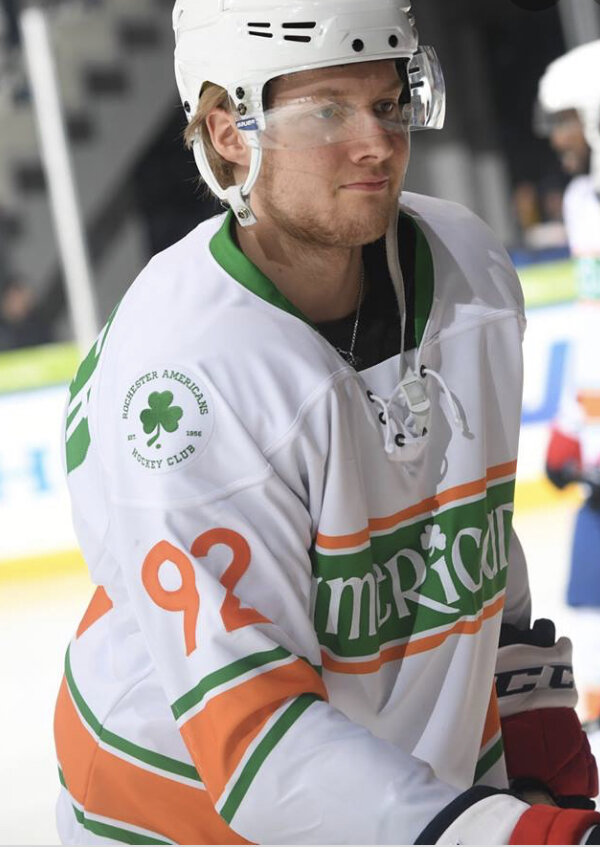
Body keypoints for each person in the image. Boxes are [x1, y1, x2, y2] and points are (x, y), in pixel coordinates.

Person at [53, 0, 600, 845]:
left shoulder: (472, 271)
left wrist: (530, 718)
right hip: (182, 812)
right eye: (329, 111)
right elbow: (258, 738)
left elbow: (470, 522)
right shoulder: (185, 375)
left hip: (406, 786)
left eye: (386, 102)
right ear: (230, 131)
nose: (377, 142)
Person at [537, 41, 600, 725]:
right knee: (586, 588)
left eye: (566, 120)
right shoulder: (584, 202)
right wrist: (568, 426)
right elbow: (592, 323)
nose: (557, 139)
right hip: (595, 451)